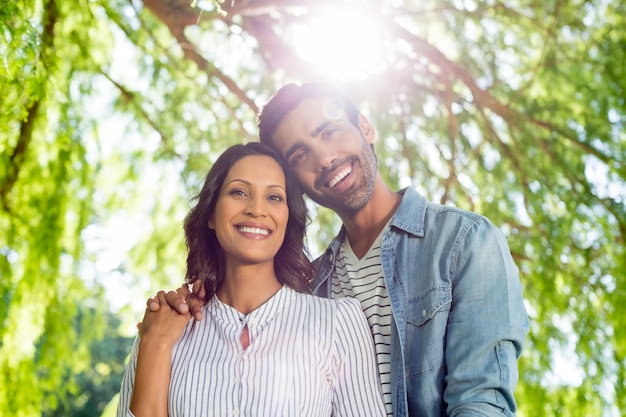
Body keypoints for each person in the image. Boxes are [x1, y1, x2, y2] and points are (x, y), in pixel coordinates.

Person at [152, 82, 530, 416]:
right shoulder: (307, 285)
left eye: (330, 131)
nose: (325, 158)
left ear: (365, 127)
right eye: (300, 155)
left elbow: (481, 402)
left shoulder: (463, 241)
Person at [118, 141, 386, 417]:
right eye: (239, 192)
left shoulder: (337, 323)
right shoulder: (160, 329)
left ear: (288, 217)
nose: (257, 209)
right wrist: (156, 344)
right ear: (211, 213)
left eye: (274, 197)